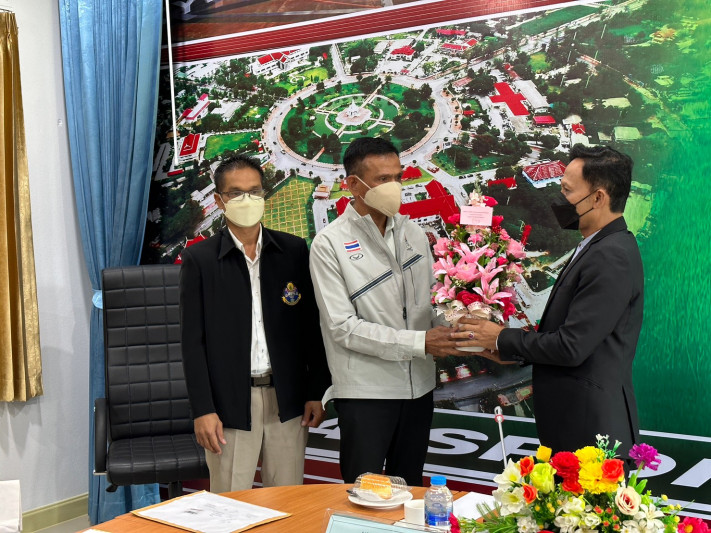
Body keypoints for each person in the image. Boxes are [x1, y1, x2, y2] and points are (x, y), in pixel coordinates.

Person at [454, 144, 643, 455]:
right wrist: (510, 352)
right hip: (576, 423)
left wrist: (501, 337)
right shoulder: (596, 246)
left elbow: (571, 346)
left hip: (590, 433)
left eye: (567, 190)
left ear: (598, 197)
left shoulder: (611, 256)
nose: (559, 198)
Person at [309, 137, 459, 486]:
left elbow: (433, 302)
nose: (394, 187)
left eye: (398, 177)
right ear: (352, 185)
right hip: (367, 394)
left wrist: (462, 324)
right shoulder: (329, 244)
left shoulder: (413, 234)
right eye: (382, 179)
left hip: (419, 389)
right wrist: (420, 343)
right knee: (364, 494)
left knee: (410, 489)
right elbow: (343, 327)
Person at [180, 154, 331, 492]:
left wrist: (315, 391)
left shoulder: (292, 251)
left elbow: (311, 328)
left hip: (287, 399)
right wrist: (203, 409)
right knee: (230, 503)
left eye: (254, 191)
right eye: (236, 193)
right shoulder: (200, 260)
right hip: (230, 403)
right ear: (219, 200)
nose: (247, 200)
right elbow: (192, 343)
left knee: (288, 498)